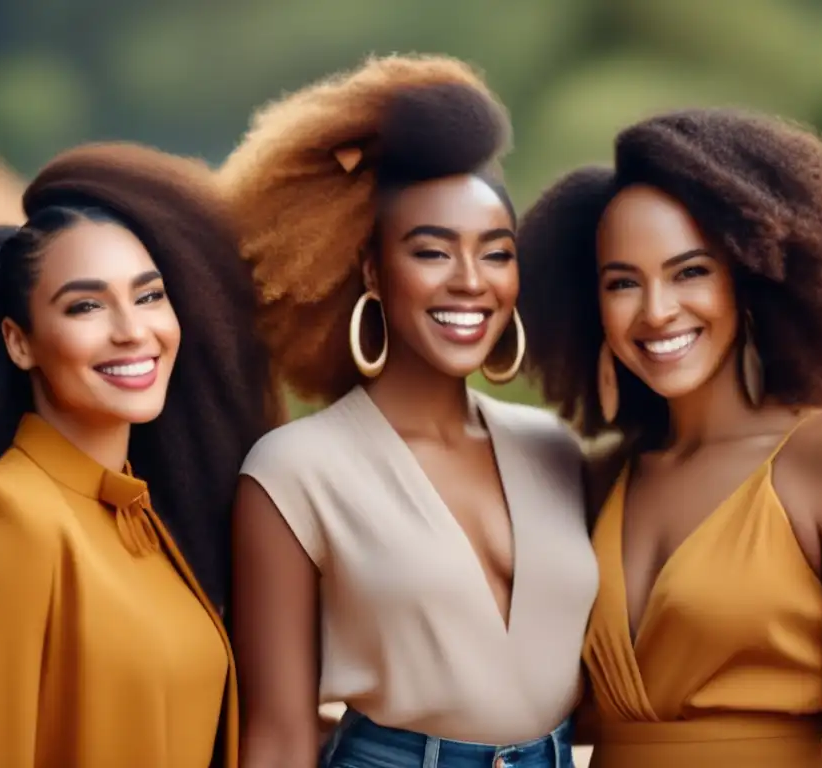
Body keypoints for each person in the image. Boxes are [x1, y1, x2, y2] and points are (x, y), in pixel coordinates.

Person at [218, 54, 599, 768]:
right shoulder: (295, 473)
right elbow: (278, 731)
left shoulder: (553, 449)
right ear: (371, 268)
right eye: (432, 252)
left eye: (496, 254)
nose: (470, 282)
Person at [516, 107, 822, 768]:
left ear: (750, 275)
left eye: (690, 271)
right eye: (623, 283)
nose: (656, 310)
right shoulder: (599, 479)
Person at [0, 142, 276, 768]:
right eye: (86, 305)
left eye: (149, 296)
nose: (132, 330)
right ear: (20, 343)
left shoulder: (137, 516)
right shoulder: (2, 518)